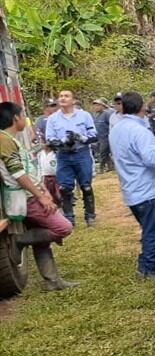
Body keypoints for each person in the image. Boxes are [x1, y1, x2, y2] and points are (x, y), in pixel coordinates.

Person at [0, 102, 77, 290]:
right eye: (22, 114)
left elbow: (26, 168)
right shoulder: (4, 139)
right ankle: (20, 241)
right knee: (63, 227)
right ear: (15, 118)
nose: (25, 118)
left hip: (30, 193)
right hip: (26, 197)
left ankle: (52, 281)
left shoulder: (10, 138)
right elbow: (17, 173)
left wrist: (41, 187)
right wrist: (40, 196)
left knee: (41, 240)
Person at [109, 91, 155, 282]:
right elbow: (153, 159)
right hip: (146, 190)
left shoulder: (116, 128)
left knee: (150, 230)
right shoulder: (140, 131)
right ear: (142, 107)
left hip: (132, 189)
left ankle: (144, 265)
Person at [45, 89, 97, 227]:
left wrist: (80, 137)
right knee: (64, 188)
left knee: (86, 186)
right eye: (60, 96)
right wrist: (62, 141)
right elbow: (49, 138)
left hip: (82, 153)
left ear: (73, 100)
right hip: (63, 155)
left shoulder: (84, 115)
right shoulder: (52, 119)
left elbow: (93, 134)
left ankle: (90, 216)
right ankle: (69, 217)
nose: (63, 98)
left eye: (66, 96)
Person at [91, 98, 114, 173]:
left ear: (102, 106)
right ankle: (111, 166)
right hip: (98, 137)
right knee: (104, 154)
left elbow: (111, 125)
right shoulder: (95, 115)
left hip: (106, 137)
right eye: (94, 105)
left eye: (98, 105)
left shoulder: (107, 114)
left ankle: (101, 168)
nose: (96, 107)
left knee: (103, 153)